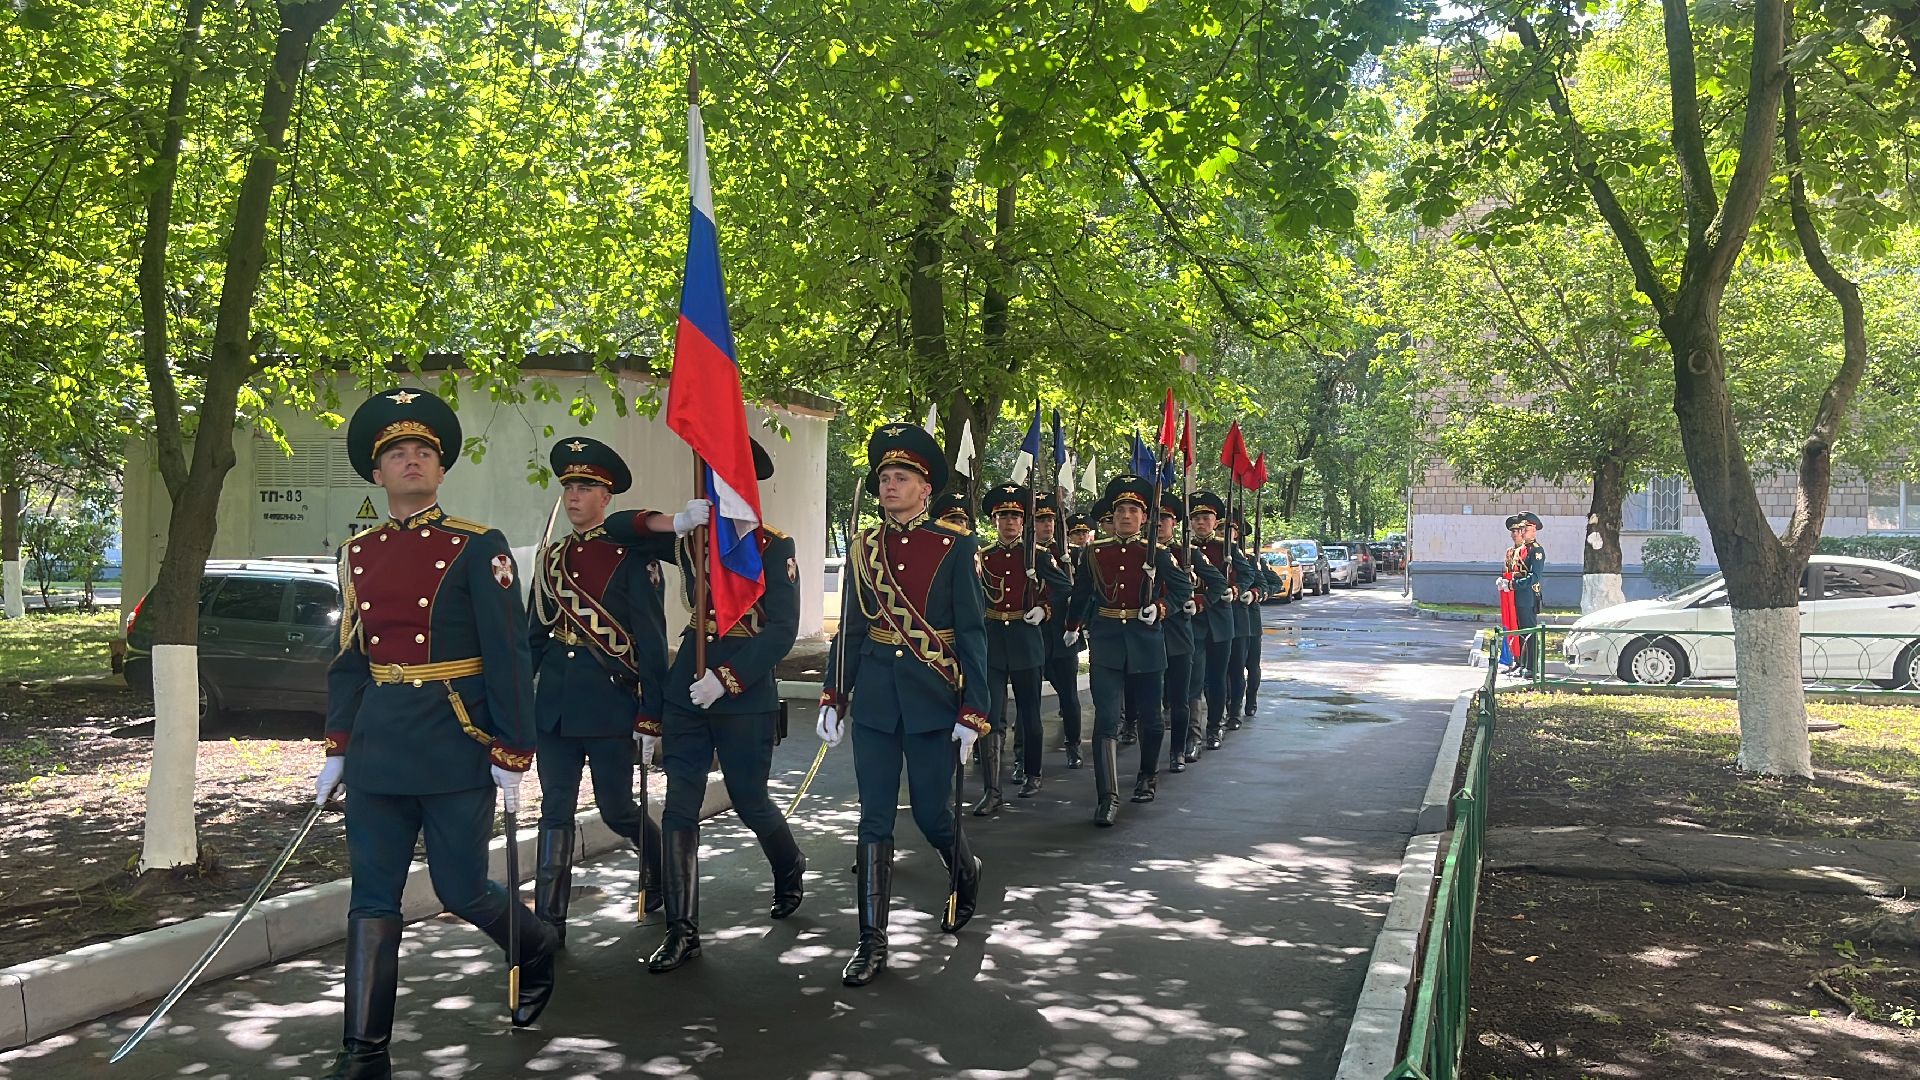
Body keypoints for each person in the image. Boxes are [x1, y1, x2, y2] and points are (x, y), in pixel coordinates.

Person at [315, 387, 552, 1078]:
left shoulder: (478, 546)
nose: (411, 461)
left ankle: (534, 945)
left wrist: (514, 748)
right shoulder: (357, 553)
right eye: (397, 454)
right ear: (377, 472)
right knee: (371, 898)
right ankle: (364, 1054)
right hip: (381, 748)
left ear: (441, 470)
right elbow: (351, 660)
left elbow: (510, 652)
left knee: (461, 890)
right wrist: (337, 745)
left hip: (456, 740)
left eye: (423, 452)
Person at [600, 440, 807, 972]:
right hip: (687, 686)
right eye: (713, 479)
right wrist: (673, 520)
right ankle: (683, 929)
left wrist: (729, 676)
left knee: (748, 800)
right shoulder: (691, 539)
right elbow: (616, 527)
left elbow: (782, 631)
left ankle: (789, 864)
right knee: (679, 808)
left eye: (730, 480)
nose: (719, 489)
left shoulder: (772, 547)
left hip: (743, 691)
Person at [818, 423, 989, 986]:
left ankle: (963, 866)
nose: (889, 487)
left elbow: (971, 634)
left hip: (932, 697)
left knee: (933, 814)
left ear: (926, 487)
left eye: (901, 478)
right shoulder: (865, 549)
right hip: (874, 701)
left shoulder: (956, 547)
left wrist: (973, 711)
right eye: (884, 478)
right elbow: (851, 629)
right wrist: (834, 693)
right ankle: (871, 940)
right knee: (872, 816)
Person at [526, 437, 679, 946]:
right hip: (555, 708)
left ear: (606, 497)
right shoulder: (550, 560)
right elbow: (532, 636)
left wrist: (651, 715)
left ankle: (663, 871)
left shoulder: (631, 558)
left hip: (611, 704)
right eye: (568, 486)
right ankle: (549, 921)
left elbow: (654, 646)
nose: (573, 496)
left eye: (585, 486)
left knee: (616, 810)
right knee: (555, 811)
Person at [1065, 475, 1191, 824]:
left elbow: (1183, 590)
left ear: (1144, 517)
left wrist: (1161, 607)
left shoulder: (1158, 554)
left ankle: (1147, 776)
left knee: (1151, 718)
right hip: (1107, 641)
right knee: (1106, 719)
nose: (1125, 516)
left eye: (1133, 510)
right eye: (1120, 509)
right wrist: (1071, 626)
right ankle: (1107, 795)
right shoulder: (1094, 552)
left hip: (1146, 641)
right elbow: (1082, 593)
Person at [974, 483, 1070, 812]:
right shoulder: (983, 557)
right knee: (991, 716)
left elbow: (1064, 587)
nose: (1010, 522)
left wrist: (1045, 608)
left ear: (1023, 521)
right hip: (993, 642)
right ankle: (993, 788)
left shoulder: (1038, 556)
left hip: (1026, 639)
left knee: (1029, 712)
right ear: (994, 520)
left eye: (1015, 516)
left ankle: (1032, 772)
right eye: (1004, 516)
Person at [1186, 492, 1236, 753]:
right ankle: (1192, 735)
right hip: (1194, 622)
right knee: (1195, 678)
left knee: (1216, 678)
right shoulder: (1185, 549)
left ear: (1215, 522)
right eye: (1196, 519)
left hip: (1219, 622)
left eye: (1205, 518)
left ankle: (1215, 726)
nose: (1200, 523)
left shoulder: (1226, 547)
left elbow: (1247, 573)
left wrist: (1235, 589)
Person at [1155, 494, 1200, 777]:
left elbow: (1216, 581)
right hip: (1147, 633)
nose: (1159, 524)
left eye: (1165, 519)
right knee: (1154, 699)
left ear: (1174, 523)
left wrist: (1195, 598)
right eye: (1155, 519)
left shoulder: (1186, 552)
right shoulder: (1141, 552)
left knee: (1180, 696)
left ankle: (1178, 750)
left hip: (1177, 632)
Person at [1049, 509, 1092, 768]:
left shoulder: (1076, 555)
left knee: (1068, 694)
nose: (1046, 525)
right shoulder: (1029, 554)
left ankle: (1073, 744)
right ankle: (1022, 755)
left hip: (1064, 631)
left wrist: (1077, 624)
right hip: (1035, 635)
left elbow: (1081, 592)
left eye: (1049, 520)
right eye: (1041, 521)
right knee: (1027, 698)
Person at [1500, 512, 1547, 676]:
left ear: (1533, 529)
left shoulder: (1536, 550)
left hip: (1528, 598)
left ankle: (1532, 667)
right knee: (1520, 631)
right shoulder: (1522, 550)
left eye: (1524, 528)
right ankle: (1522, 663)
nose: (1521, 532)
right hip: (1518, 596)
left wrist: (1513, 584)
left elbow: (1534, 577)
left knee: (1530, 632)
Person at [1229, 512, 1263, 726]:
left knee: (1249, 665)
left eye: (1229, 529)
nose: (1225, 533)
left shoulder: (1249, 560)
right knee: (1229, 668)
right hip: (1224, 619)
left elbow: (1269, 583)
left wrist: (1254, 593)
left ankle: (1249, 700)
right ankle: (1228, 705)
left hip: (1247, 621)